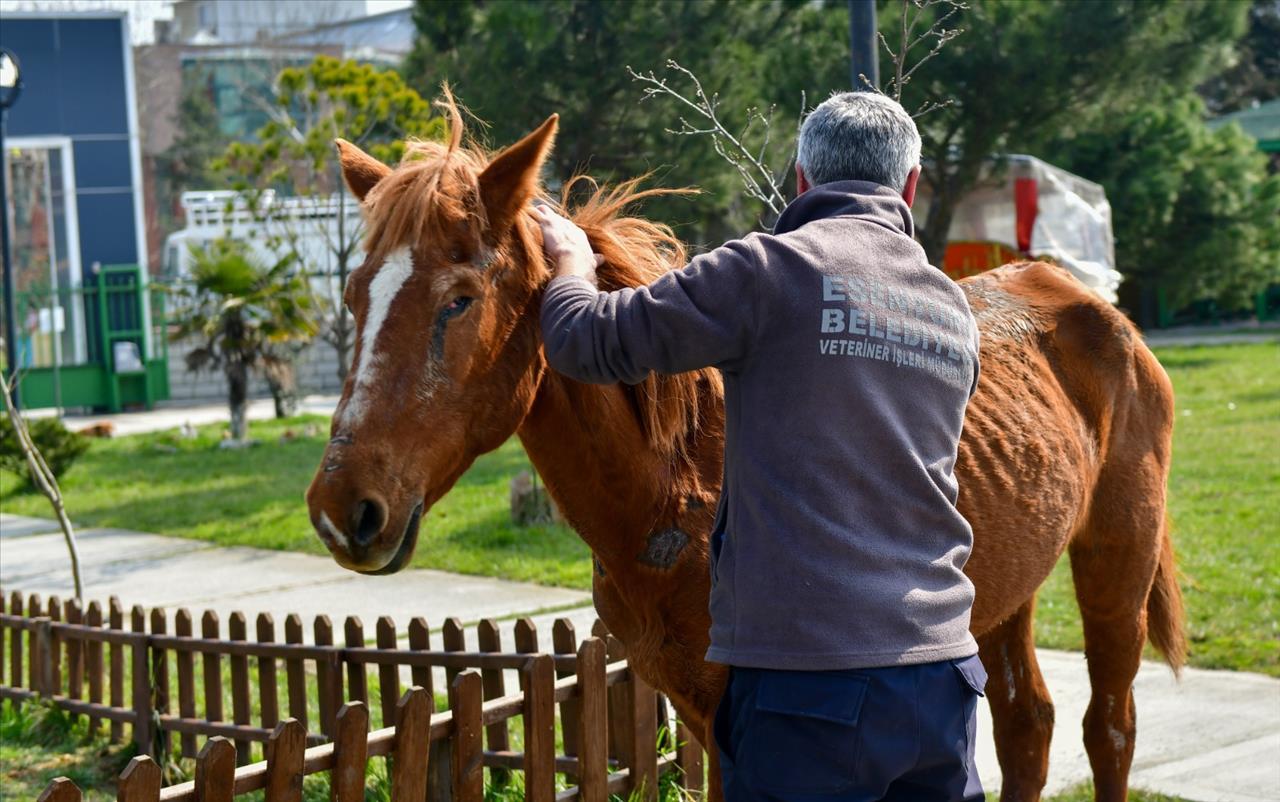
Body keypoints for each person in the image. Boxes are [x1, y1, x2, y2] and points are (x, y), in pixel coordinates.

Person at [535, 91, 986, 802]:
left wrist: (567, 263)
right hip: (943, 676)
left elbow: (585, 341)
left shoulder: (769, 271)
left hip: (808, 687)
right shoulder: (950, 306)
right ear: (910, 186)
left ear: (802, 179)